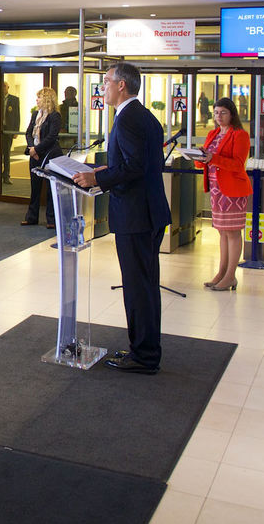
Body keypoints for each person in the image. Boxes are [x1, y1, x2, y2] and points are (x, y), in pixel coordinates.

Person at [71, 62, 170, 375]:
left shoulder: (127, 119)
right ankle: (146, 348)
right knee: (145, 284)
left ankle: (144, 356)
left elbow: (134, 168)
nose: (103, 87)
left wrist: (96, 180)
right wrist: (105, 172)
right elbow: (134, 164)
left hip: (136, 216)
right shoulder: (144, 117)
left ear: (122, 86)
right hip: (149, 212)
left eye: (106, 82)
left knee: (137, 286)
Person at [196, 98, 251, 292]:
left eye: (223, 113)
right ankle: (221, 273)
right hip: (217, 190)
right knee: (222, 231)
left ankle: (230, 276)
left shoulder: (240, 135)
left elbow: (237, 164)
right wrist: (199, 157)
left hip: (232, 190)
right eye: (216, 113)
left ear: (232, 114)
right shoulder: (213, 134)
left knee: (232, 232)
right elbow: (206, 161)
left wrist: (213, 158)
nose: (219, 117)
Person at [22, 88, 62, 227]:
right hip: (35, 155)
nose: (36, 100)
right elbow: (28, 133)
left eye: (39, 98)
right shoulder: (35, 114)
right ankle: (32, 217)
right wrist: (32, 148)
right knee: (35, 187)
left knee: (51, 188)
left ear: (46, 99)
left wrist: (36, 149)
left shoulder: (54, 116)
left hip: (50, 155)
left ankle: (51, 219)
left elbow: (51, 137)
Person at [2, 82, 20, 184]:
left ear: (8, 87)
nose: (3, 88)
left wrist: (15, 131)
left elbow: (17, 116)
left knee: (7, 154)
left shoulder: (14, 99)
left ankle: (6, 175)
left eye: (4, 86)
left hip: (8, 130)